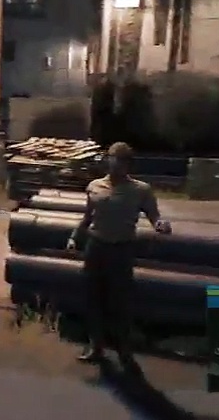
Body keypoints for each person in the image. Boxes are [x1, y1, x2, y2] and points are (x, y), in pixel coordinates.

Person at [65, 142, 171, 369]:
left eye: (122, 160)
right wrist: (74, 237)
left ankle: (124, 349)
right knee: (93, 298)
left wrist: (161, 225)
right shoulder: (94, 186)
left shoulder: (140, 190)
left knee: (120, 301)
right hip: (96, 247)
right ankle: (96, 346)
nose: (116, 164)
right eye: (113, 158)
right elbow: (87, 217)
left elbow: (154, 216)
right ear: (108, 160)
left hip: (121, 250)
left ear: (129, 164)